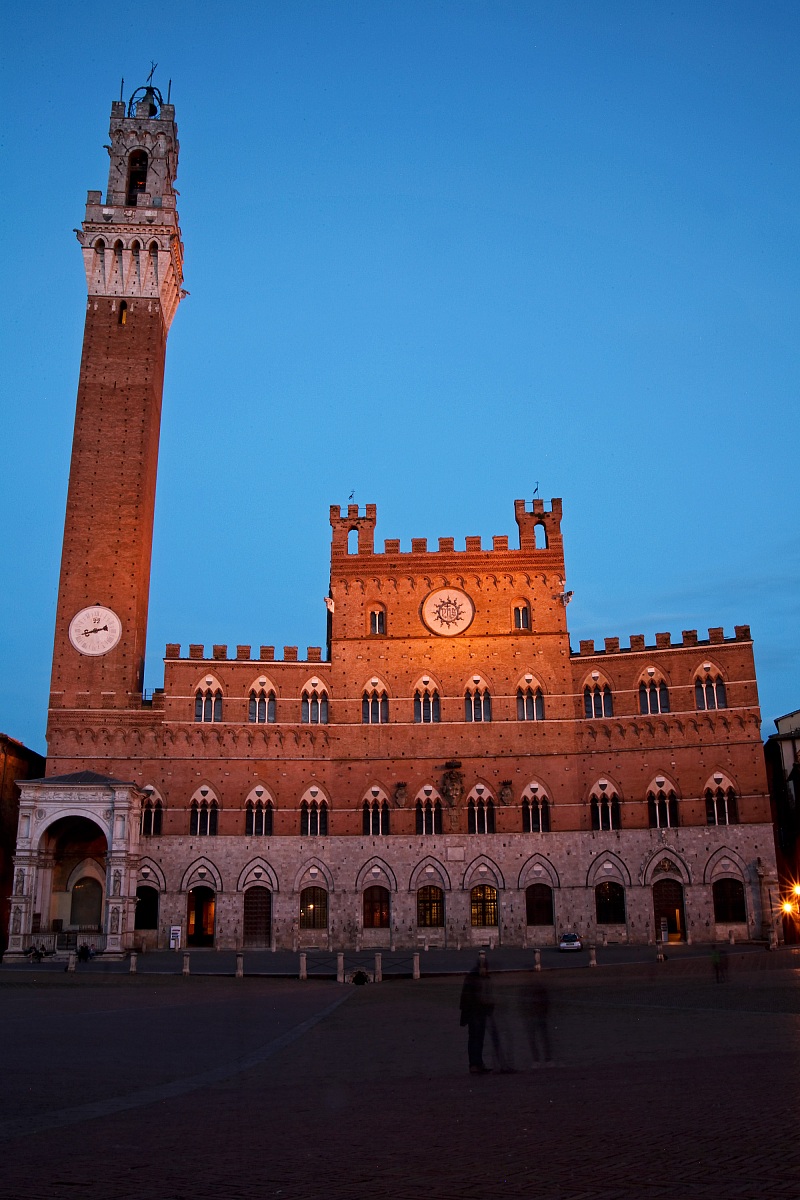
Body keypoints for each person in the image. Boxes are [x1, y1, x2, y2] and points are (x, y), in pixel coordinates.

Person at [460, 954, 493, 1074]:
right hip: (475, 1013)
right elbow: (468, 997)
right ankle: (475, 1064)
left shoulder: (477, 977)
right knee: (475, 1038)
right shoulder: (475, 978)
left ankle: (477, 1063)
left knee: (478, 1039)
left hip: (479, 1012)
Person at [521, 978, 553, 1067]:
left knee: (538, 1038)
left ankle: (540, 1060)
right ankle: (545, 1059)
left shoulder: (528, 988)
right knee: (542, 1038)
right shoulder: (538, 988)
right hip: (536, 1016)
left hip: (536, 1016)